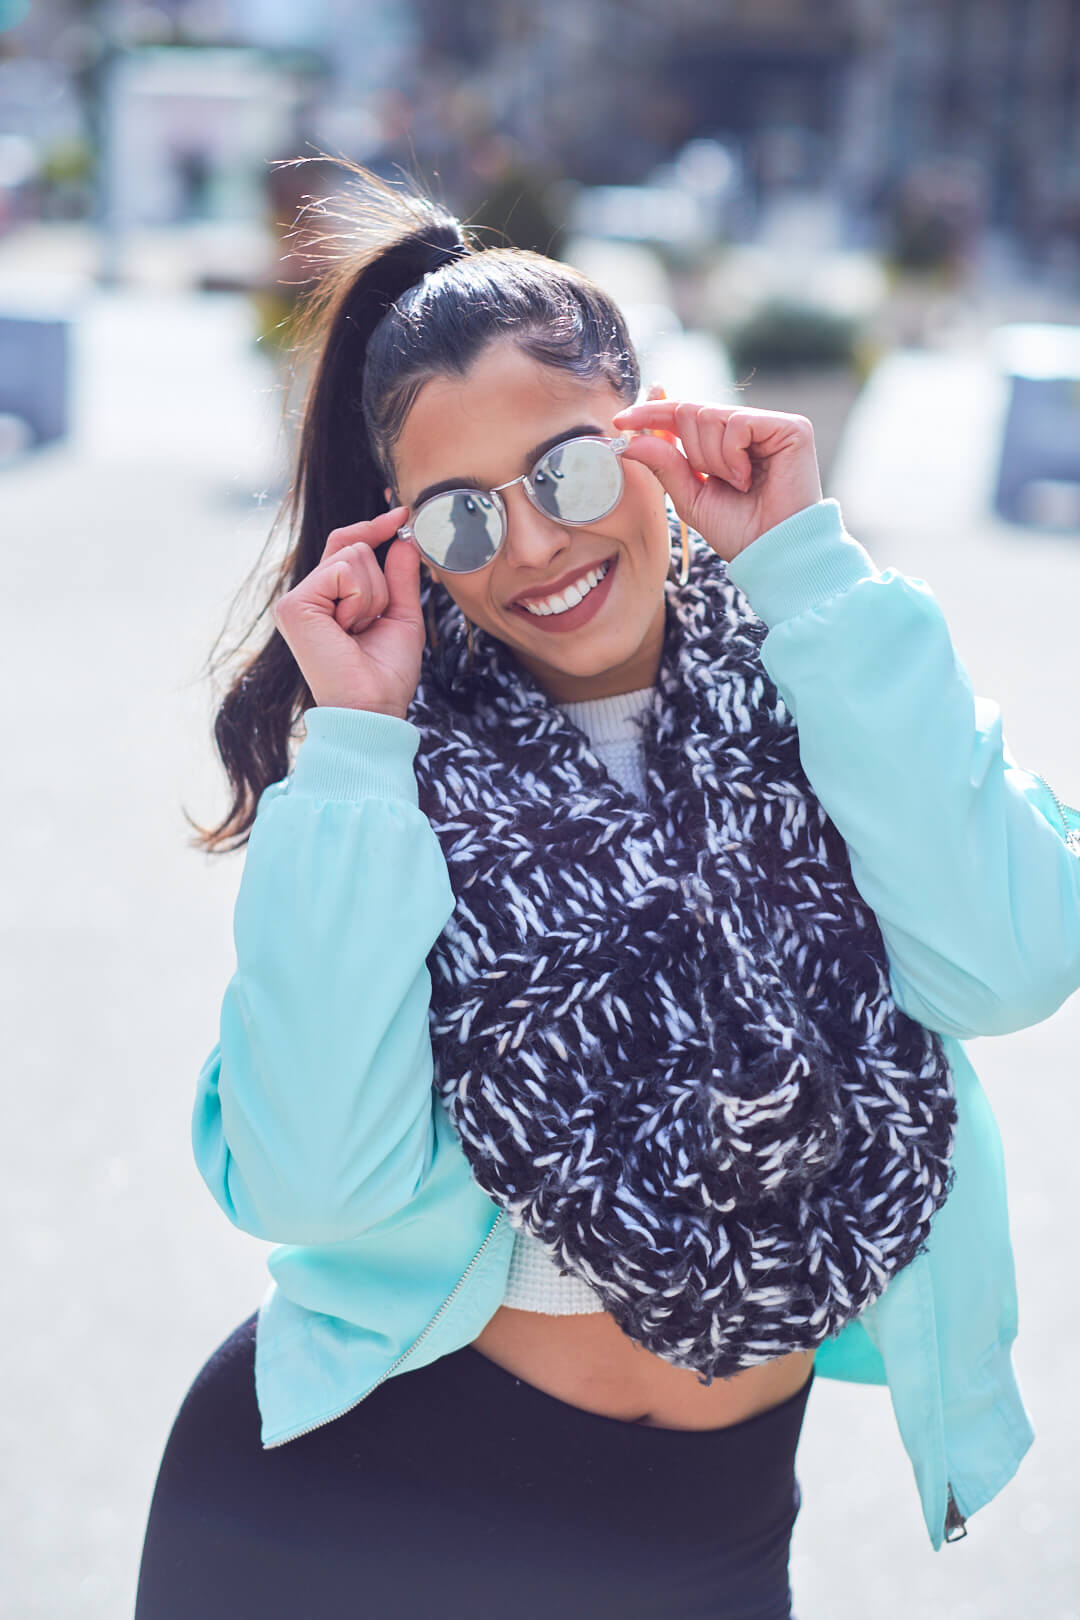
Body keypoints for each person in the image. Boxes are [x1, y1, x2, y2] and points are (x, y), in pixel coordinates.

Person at [134, 159, 1080, 1620]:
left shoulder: (831, 663)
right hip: (352, 1524)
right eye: (456, 517)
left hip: (704, 1538)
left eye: (568, 468)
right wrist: (361, 748)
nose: (531, 545)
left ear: (647, 426)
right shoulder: (384, 784)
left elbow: (1009, 962)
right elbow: (313, 1183)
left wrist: (811, 574)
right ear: (398, 535)